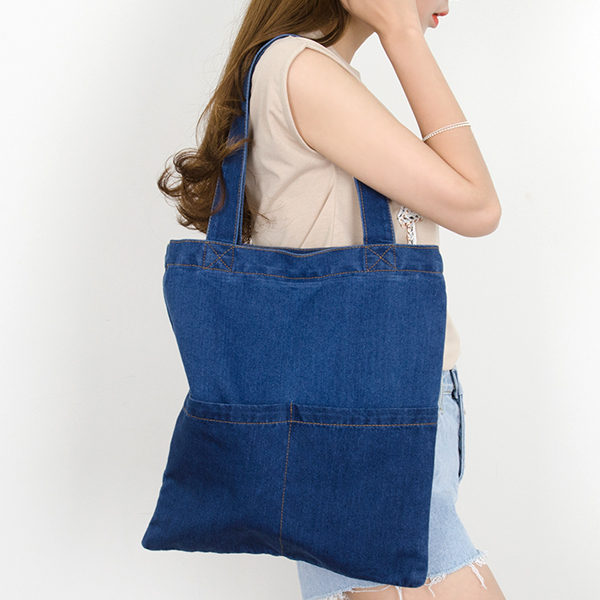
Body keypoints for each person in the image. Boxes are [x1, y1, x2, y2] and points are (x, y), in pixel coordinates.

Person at [158, 1, 506, 599]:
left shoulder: (301, 70)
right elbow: (478, 207)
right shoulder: (303, 70)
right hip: (370, 407)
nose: (446, 2)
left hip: (344, 405)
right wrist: (403, 35)